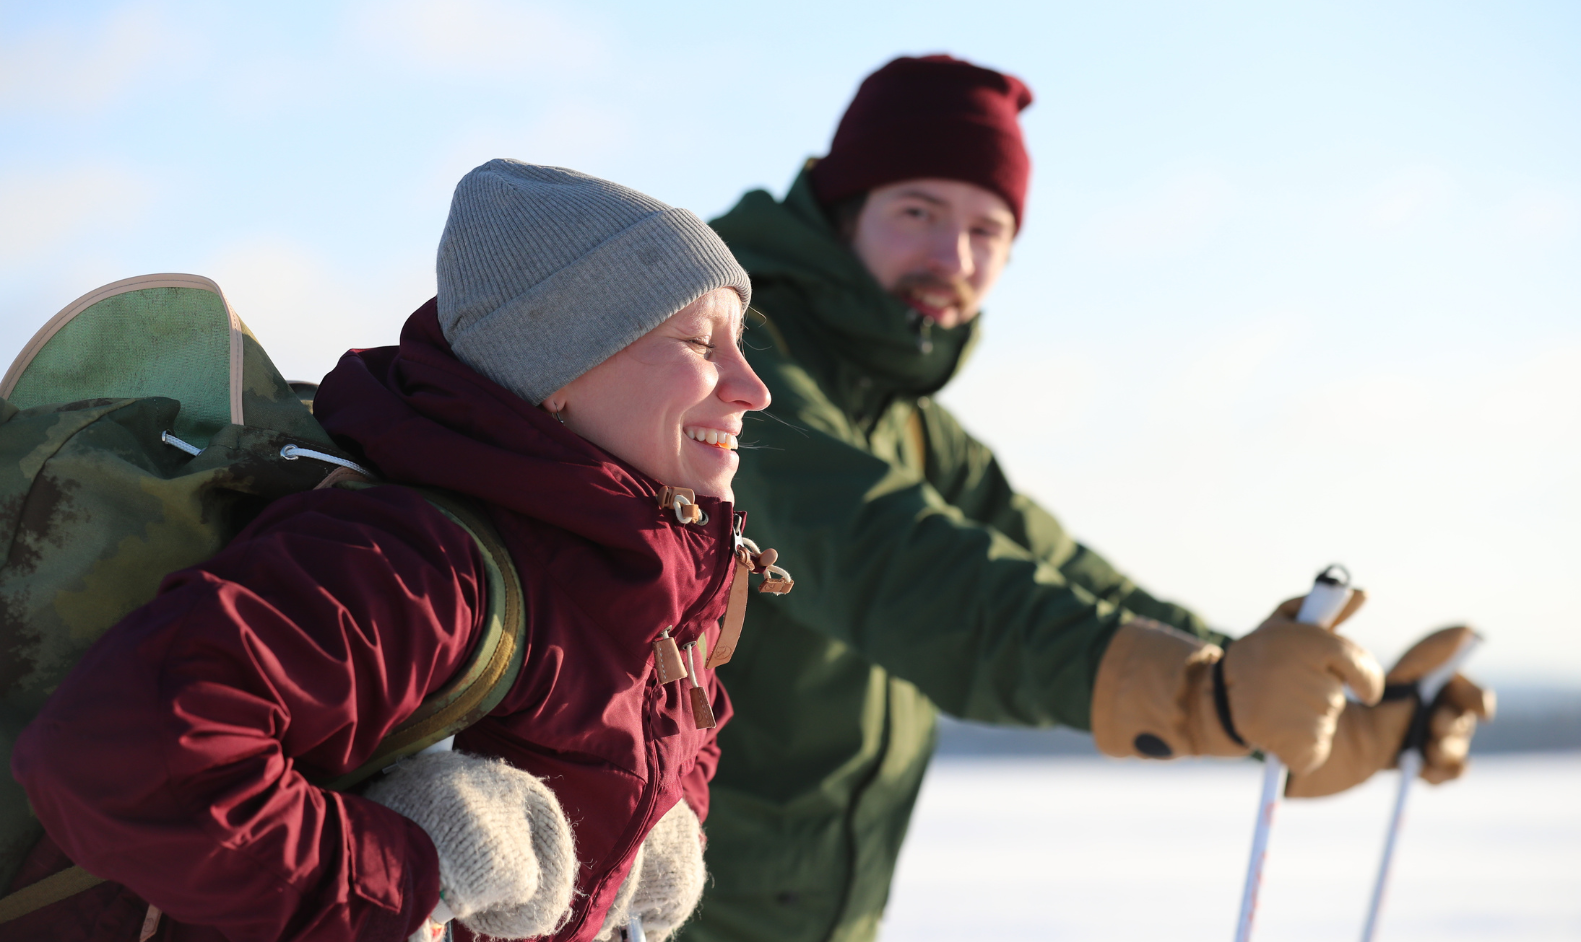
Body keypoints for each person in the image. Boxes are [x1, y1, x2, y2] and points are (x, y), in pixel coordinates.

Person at [683, 56, 1494, 942]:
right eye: (918, 211)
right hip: (667, 911)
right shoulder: (731, 364)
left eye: (988, 230)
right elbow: (895, 563)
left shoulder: (910, 425)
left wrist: (1300, 700)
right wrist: (1202, 698)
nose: (952, 256)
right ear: (844, 211)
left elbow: (1063, 575)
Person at [10, 160, 778, 942]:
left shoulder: (653, 571)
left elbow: (651, 722)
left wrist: (654, 821)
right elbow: (121, 761)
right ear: (558, 369)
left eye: (739, 343)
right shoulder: (409, 566)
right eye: (697, 343)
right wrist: (411, 872)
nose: (753, 388)